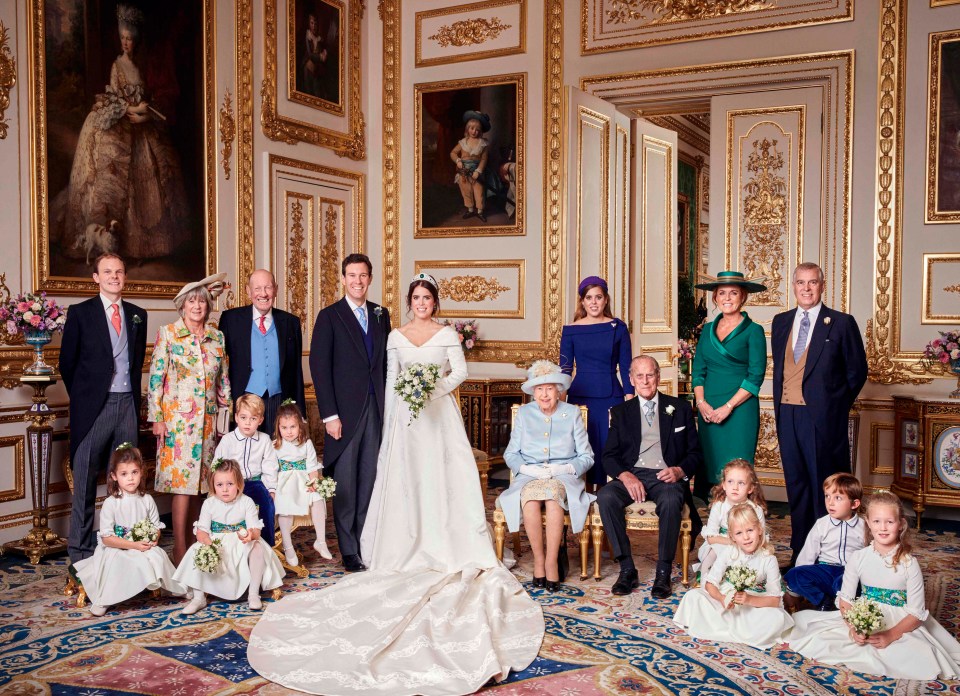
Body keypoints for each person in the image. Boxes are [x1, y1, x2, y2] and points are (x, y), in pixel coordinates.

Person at [248, 273, 544, 695]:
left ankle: (444, 540)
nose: (421, 303)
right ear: (410, 302)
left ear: (434, 302)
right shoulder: (396, 335)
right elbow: (388, 381)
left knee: (442, 480)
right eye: (416, 297)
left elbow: (459, 373)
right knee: (407, 481)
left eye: (427, 298)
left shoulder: (445, 334)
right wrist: (396, 417)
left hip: (439, 418)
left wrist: (431, 388)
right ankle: (406, 540)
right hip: (406, 423)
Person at [60, 4, 189, 262]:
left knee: (150, 179)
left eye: (130, 38)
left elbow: (148, 96)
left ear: (136, 40)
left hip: (143, 130)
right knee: (115, 180)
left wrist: (145, 111)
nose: (126, 42)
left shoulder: (140, 67)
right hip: (122, 125)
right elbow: (115, 98)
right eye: (123, 38)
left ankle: (144, 245)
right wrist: (133, 108)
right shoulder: (117, 65)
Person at [788, 491, 960, 680]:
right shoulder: (859, 557)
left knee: (916, 656)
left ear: (901, 524)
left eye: (890, 522)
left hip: (900, 620)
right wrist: (854, 627)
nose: (883, 528)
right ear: (868, 523)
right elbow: (845, 600)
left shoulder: (909, 563)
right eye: (877, 521)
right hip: (865, 614)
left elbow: (917, 613)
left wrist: (891, 635)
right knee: (822, 640)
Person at [772, 262, 868, 568]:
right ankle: (801, 556)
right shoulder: (781, 321)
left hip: (822, 421)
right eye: (800, 283)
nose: (806, 288)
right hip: (788, 414)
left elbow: (857, 372)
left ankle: (829, 558)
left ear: (822, 286)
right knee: (797, 488)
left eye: (812, 282)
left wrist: (833, 408)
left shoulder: (840, 323)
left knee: (824, 490)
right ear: (794, 286)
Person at [60, 253, 147, 564]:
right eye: (107, 272)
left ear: (125, 276)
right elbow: (66, 363)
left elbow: (135, 365)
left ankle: (128, 550)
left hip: (127, 405)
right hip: (93, 408)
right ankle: (81, 555)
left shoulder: (138, 314)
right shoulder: (80, 313)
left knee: (128, 481)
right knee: (84, 483)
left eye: (119, 271)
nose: (114, 276)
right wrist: (86, 398)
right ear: (95, 277)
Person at [308, 253, 391, 573]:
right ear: (343, 279)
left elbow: (385, 363)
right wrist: (329, 415)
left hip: (376, 408)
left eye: (363, 275)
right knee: (345, 483)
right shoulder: (329, 316)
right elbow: (319, 366)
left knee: (370, 479)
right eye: (352, 275)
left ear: (370, 279)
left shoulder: (381, 314)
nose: (357, 281)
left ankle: (366, 543)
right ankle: (349, 550)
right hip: (343, 413)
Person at [597, 355, 703, 599]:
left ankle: (663, 572)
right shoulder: (621, 412)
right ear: (632, 380)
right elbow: (609, 456)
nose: (645, 381)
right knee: (605, 497)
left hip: (666, 475)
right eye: (640, 376)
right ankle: (627, 569)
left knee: (670, 500)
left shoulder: (680, 408)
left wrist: (679, 470)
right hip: (632, 474)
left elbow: (695, 454)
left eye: (650, 375)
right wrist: (625, 476)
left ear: (658, 377)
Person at [148, 272, 231, 565]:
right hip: (178, 424)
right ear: (182, 306)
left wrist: (225, 418)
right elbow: (156, 379)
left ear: (208, 306)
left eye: (202, 301)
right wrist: (156, 418)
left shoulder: (216, 336)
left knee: (201, 485)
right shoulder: (168, 333)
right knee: (182, 486)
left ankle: (197, 543)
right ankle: (179, 548)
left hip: (208, 424)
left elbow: (223, 382)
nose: (197, 306)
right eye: (192, 301)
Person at [498, 360, 595, 591]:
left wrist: (562, 469)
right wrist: (527, 470)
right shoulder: (524, 413)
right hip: (529, 475)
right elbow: (511, 454)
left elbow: (587, 457)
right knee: (530, 501)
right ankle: (539, 561)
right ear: (533, 392)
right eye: (539, 389)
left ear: (558, 390)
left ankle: (551, 562)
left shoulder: (571, 413)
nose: (544, 394)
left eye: (549, 388)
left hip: (563, 476)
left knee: (552, 498)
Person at [74, 444, 186, 617]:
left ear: (141, 472)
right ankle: (104, 599)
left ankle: (175, 589)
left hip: (141, 545)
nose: (131, 478)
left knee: (157, 556)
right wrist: (133, 545)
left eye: (134, 472)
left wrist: (153, 539)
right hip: (118, 546)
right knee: (117, 562)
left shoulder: (146, 499)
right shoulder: (111, 503)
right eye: (124, 474)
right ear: (114, 476)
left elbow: (156, 527)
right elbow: (107, 538)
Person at [691, 271, 767, 500]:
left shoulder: (754, 331)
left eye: (733, 293)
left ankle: (740, 524)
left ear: (743, 297)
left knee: (738, 467)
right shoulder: (707, 329)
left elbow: (755, 377)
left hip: (739, 410)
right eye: (722, 293)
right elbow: (698, 370)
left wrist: (728, 407)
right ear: (715, 297)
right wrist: (701, 403)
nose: (727, 297)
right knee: (712, 466)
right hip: (709, 409)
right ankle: (716, 522)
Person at [674, 503, 794, 649]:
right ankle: (735, 628)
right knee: (692, 596)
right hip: (727, 599)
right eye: (739, 533)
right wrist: (722, 599)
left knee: (776, 619)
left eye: (750, 530)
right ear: (732, 536)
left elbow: (775, 600)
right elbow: (710, 583)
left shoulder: (768, 559)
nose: (746, 537)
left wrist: (749, 599)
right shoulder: (729, 552)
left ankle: (725, 627)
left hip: (754, 604)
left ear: (760, 530)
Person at [175, 459, 285, 614]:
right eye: (220, 485)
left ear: (239, 484)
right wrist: (208, 544)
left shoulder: (246, 502)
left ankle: (253, 594)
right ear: (213, 486)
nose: (225, 489)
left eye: (230, 484)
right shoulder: (209, 503)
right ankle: (199, 598)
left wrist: (250, 536)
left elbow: (256, 529)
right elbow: (201, 531)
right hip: (216, 541)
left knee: (258, 548)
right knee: (197, 549)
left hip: (240, 542)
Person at [559, 275, 634, 488]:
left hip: (612, 396)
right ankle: (581, 496)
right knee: (583, 445)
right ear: (582, 301)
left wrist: (629, 401)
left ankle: (607, 498)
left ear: (605, 300)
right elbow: (565, 370)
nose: (594, 302)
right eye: (589, 297)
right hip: (580, 396)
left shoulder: (617, 327)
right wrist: (561, 405)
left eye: (598, 297)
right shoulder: (571, 330)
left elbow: (627, 365)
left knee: (608, 447)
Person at [218, 268, 305, 435]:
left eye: (268, 288)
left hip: (278, 400)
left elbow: (296, 372)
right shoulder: (231, 319)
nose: (263, 294)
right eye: (257, 288)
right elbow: (218, 363)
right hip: (244, 401)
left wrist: (300, 413)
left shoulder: (291, 322)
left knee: (277, 452)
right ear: (248, 291)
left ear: (276, 290)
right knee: (246, 455)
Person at [784, 473, 864, 613]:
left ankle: (842, 605)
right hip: (825, 570)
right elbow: (808, 553)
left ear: (854, 504)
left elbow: (871, 554)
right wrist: (796, 591)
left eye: (838, 498)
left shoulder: (864, 527)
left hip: (849, 572)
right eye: (827, 496)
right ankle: (823, 601)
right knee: (794, 575)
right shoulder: (822, 524)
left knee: (845, 582)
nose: (830, 502)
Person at [213, 394, 280, 547]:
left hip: (255, 483)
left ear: (260, 420)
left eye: (253, 419)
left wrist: (271, 489)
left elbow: (270, 466)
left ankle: (267, 545)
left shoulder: (264, 440)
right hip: (233, 484)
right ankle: (232, 543)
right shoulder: (228, 440)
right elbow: (217, 465)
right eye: (243, 418)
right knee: (231, 509)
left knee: (267, 504)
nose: (247, 423)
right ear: (236, 417)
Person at [272, 399, 331, 565]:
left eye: (293, 427)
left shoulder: (306, 444)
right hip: (284, 482)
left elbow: (312, 466)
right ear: (278, 428)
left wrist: (314, 482)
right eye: (284, 428)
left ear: (300, 426)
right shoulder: (275, 445)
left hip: (303, 479)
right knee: (284, 506)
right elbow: (271, 469)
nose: (289, 432)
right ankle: (288, 545)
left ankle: (320, 541)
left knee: (318, 499)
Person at [697, 458, 767, 578]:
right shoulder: (719, 506)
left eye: (741, 483)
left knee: (757, 561)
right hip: (722, 542)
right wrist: (733, 542)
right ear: (723, 485)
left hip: (747, 543)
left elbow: (762, 538)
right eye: (730, 482)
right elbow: (710, 538)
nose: (735, 487)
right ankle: (705, 578)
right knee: (714, 552)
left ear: (750, 488)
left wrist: (744, 544)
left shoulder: (756, 510)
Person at [450, 110, 490, 222]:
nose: (474, 132)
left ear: (481, 131)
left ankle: (480, 212)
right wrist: (458, 160)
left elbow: (484, 159)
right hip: (463, 172)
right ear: (468, 129)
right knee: (466, 191)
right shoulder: (463, 142)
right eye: (472, 128)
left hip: (477, 172)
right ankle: (470, 209)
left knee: (479, 192)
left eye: (477, 130)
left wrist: (478, 171)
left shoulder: (483, 143)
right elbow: (452, 153)